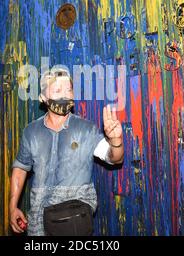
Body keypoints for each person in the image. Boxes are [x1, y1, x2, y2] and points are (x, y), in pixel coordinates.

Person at [9, 67, 124, 236]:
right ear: (43, 98)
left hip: (74, 221)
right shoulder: (31, 131)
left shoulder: (86, 129)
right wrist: (12, 207)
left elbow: (115, 159)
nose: (65, 94)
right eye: (57, 90)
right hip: (37, 222)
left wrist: (116, 142)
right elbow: (20, 169)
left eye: (68, 90)